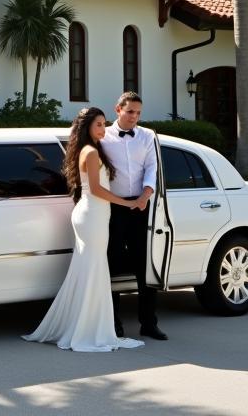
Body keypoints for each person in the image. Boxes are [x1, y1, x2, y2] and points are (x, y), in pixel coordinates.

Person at [21, 107, 145, 351]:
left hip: (91, 213)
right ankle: (89, 330)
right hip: (93, 215)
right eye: (99, 124)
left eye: (104, 124)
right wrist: (129, 202)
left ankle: (85, 325)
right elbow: (97, 190)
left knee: (88, 268)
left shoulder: (88, 150)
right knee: (94, 269)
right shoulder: (90, 152)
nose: (103, 128)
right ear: (87, 126)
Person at [101, 90, 167, 341]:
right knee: (112, 264)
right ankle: (114, 323)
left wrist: (145, 196)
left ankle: (149, 323)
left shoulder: (147, 136)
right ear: (118, 110)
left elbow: (153, 167)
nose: (134, 117)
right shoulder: (102, 136)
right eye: (130, 112)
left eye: (138, 113)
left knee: (145, 264)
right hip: (112, 208)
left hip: (142, 207)